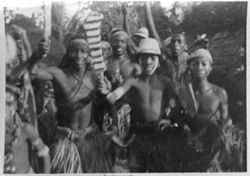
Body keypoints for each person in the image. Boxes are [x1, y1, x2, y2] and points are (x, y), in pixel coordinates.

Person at [98, 38, 190, 172]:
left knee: (160, 168)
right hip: (137, 134)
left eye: (152, 58)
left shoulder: (165, 83)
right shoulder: (132, 82)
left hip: (158, 133)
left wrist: (170, 120)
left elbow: (173, 103)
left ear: (158, 61)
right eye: (144, 58)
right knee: (136, 169)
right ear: (138, 60)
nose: (148, 62)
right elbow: (114, 96)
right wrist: (107, 93)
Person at [175, 48, 236, 171]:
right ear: (189, 68)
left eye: (204, 63)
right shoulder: (182, 92)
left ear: (210, 68)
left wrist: (225, 128)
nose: (199, 67)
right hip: (188, 139)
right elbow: (176, 113)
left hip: (211, 141)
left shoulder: (219, 93)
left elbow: (226, 117)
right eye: (195, 64)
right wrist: (184, 127)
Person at [5, 84, 50, 174]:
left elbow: (44, 155)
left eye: (9, 104)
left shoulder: (25, 129)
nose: (4, 108)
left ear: (16, 106)